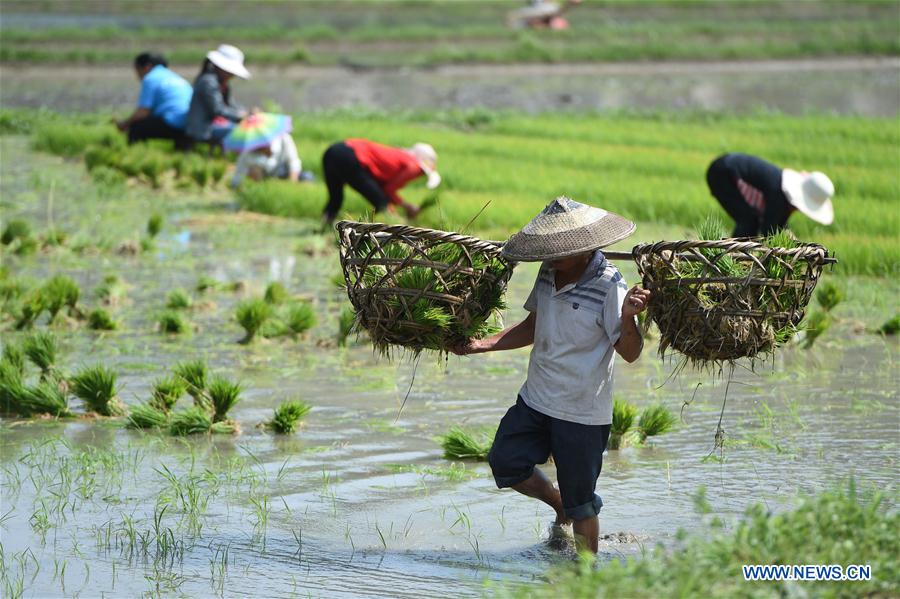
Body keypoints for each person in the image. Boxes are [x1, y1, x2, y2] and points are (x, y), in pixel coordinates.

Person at [452, 196, 650, 554]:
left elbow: (631, 353)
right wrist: (484, 344)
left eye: (559, 250)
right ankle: (557, 504)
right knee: (505, 460)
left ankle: (586, 573)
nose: (551, 256)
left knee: (582, 503)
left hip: (581, 413)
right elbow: (534, 325)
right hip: (536, 400)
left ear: (584, 248)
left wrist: (627, 316)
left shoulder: (610, 286)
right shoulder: (549, 271)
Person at [706, 153, 835, 237]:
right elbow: (769, 230)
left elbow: (778, 224)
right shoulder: (779, 195)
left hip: (726, 165)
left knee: (751, 221)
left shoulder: (783, 196)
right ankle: (733, 259)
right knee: (749, 221)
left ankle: (737, 259)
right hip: (722, 173)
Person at [321, 139, 441, 226]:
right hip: (351, 156)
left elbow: (383, 188)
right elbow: (387, 191)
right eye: (423, 173)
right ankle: (397, 233)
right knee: (382, 204)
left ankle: (323, 227)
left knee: (336, 198)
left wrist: (405, 206)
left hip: (334, 151)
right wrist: (404, 214)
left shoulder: (401, 157)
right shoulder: (413, 166)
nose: (419, 175)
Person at [115, 53, 192, 146]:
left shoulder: (150, 78)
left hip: (173, 122)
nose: (137, 75)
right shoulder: (176, 77)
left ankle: (135, 155)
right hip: (190, 122)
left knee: (136, 128)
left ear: (147, 67)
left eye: (137, 70)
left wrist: (125, 124)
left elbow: (143, 112)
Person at [185, 44, 251, 145]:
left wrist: (246, 113)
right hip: (203, 128)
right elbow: (217, 110)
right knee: (244, 131)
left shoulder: (221, 83)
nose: (232, 75)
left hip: (213, 124)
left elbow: (230, 104)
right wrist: (240, 116)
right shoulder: (208, 82)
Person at [230, 132, 308, 188]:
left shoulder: (283, 138)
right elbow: (237, 178)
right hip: (263, 179)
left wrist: (292, 184)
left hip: (283, 171)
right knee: (255, 170)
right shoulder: (247, 153)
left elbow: (293, 161)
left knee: (307, 177)